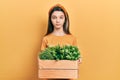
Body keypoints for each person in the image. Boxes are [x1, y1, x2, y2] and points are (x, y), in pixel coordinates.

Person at [40, 4, 82, 80]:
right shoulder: (46, 39)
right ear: (50, 20)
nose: (58, 21)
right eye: (54, 17)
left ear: (65, 19)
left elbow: (75, 63)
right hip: (50, 78)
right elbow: (43, 63)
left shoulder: (72, 38)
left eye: (61, 17)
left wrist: (78, 59)